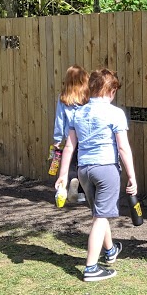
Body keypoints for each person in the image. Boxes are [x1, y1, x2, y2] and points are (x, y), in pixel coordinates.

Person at [55, 68, 137, 282]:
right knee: (101, 218)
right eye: (114, 91)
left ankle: (110, 251)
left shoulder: (78, 112)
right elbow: (123, 149)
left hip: (84, 170)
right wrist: (132, 176)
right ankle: (91, 267)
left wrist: (63, 175)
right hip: (106, 169)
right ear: (110, 91)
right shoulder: (115, 113)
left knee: (99, 213)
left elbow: (70, 147)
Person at [52, 65, 89, 204]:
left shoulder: (63, 97)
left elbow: (59, 119)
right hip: (85, 135)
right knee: (83, 163)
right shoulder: (87, 97)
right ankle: (81, 192)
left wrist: (57, 139)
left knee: (72, 163)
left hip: (70, 138)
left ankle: (72, 182)